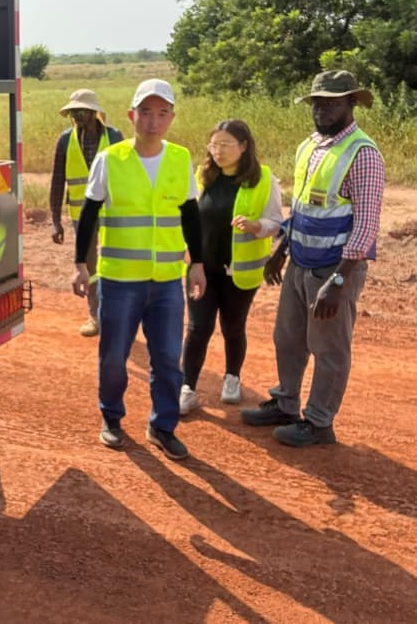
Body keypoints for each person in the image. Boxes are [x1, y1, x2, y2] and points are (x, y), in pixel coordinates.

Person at [241, 70, 385, 447]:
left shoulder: (363, 153)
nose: (322, 109)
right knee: (287, 338)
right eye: (317, 102)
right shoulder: (310, 146)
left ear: (352, 102)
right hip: (300, 261)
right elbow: (304, 207)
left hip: (334, 269)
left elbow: (367, 226)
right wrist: (282, 248)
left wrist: (338, 282)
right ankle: (286, 403)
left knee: (329, 348)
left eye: (332, 102)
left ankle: (320, 422)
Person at [72, 78, 206, 460]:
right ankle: (111, 418)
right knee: (113, 357)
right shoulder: (111, 159)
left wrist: (197, 264)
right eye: (145, 112)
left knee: (166, 359)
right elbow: (90, 213)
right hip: (119, 281)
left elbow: (190, 215)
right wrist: (80, 264)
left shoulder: (180, 159)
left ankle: (162, 426)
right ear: (131, 116)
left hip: (165, 282)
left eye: (162, 113)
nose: (153, 121)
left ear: (172, 118)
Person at [179, 120, 283, 414]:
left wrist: (256, 226)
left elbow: (277, 223)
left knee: (233, 327)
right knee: (198, 327)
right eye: (214, 145)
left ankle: (232, 378)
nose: (218, 152)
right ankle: (187, 387)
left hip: (240, 272)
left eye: (225, 145)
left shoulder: (263, 178)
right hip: (202, 267)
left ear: (244, 146)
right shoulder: (202, 176)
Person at [50, 88, 122, 336]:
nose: (77, 116)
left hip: (114, 213)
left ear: (94, 113)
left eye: (81, 111)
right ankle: (95, 316)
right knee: (88, 266)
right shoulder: (65, 140)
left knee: (114, 262)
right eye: (73, 112)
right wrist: (55, 221)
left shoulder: (114, 137)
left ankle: (116, 313)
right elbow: (57, 181)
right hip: (81, 215)